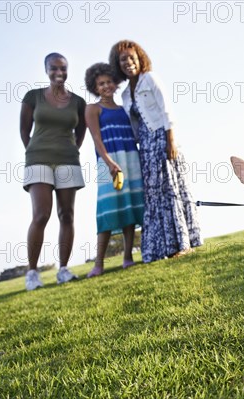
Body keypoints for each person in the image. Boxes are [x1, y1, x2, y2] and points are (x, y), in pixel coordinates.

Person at [109, 40, 202, 263]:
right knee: (154, 194)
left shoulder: (150, 79)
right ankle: (163, 246)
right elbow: (133, 126)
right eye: (124, 60)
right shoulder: (124, 95)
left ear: (140, 59)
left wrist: (171, 140)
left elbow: (166, 108)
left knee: (170, 188)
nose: (129, 63)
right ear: (118, 64)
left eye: (132, 58)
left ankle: (182, 243)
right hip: (146, 147)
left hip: (162, 137)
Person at [20, 53, 86, 290]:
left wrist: (70, 152)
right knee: (41, 215)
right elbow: (24, 130)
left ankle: (64, 270)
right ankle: (32, 273)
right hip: (38, 159)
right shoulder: (33, 97)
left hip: (68, 160)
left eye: (63, 68)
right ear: (46, 69)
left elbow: (80, 133)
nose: (59, 72)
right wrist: (35, 152)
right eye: (54, 68)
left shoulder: (78, 102)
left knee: (67, 215)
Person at [84, 63, 145, 277]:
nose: (106, 86)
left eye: (109, 82)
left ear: (115, 83)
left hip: (130, 159)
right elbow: (96, 140)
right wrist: (109, 163)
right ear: (94, 87)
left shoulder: (123, 109)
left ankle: (128, 258)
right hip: (106, 162)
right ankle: (98, 264)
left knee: (129, 208)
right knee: (107, 212)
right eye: (101, 84)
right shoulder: (92, 109)